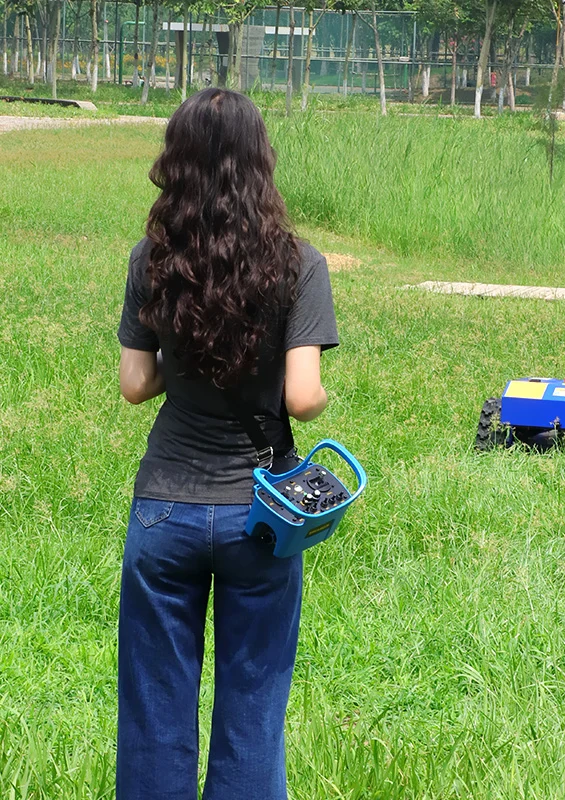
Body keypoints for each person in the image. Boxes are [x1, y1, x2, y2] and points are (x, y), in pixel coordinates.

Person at [115, 87, 338, 799]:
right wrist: (312, 390)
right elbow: (302, 397)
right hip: (261, 516)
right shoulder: (299, 264)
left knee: (154, 709)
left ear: (175, 163)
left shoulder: (152, 260)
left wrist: (185, 365)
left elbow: (134, 384)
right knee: (252, 706)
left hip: (165, 509)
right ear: (259, 162)